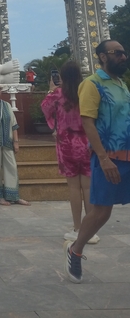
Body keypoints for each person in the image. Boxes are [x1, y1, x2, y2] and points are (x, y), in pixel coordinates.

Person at [64, 40, 130, 284]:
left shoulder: (120, 84)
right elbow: (88, 122)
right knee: (102, 211)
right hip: (109, 158)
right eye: (118, 53)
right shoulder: (92, 84)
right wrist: (103, 159)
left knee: (104, 211)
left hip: (128, 153)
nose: (124, 56)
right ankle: (76, 249)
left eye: (124, 53)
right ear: (103, 56)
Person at [41, 61, 99, 244]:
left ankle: (77, 228)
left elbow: (46, 110)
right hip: (87, 143)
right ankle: (91, 231)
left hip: (67, 144)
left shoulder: (58, 94)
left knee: (74, 188)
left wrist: (51, 90)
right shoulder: (86, 91)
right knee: (88, 188)